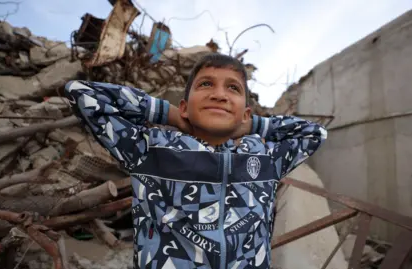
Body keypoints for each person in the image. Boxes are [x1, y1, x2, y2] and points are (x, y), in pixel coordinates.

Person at [64, 54, 327, 269]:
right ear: (185, 106)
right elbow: (81, 92)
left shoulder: (266, 158)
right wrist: (170, 115)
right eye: (206, 85)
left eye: (232, 88)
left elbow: (315, 133)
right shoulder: (150, 150)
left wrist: (252, 126)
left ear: (246, 112)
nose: (219, 95)